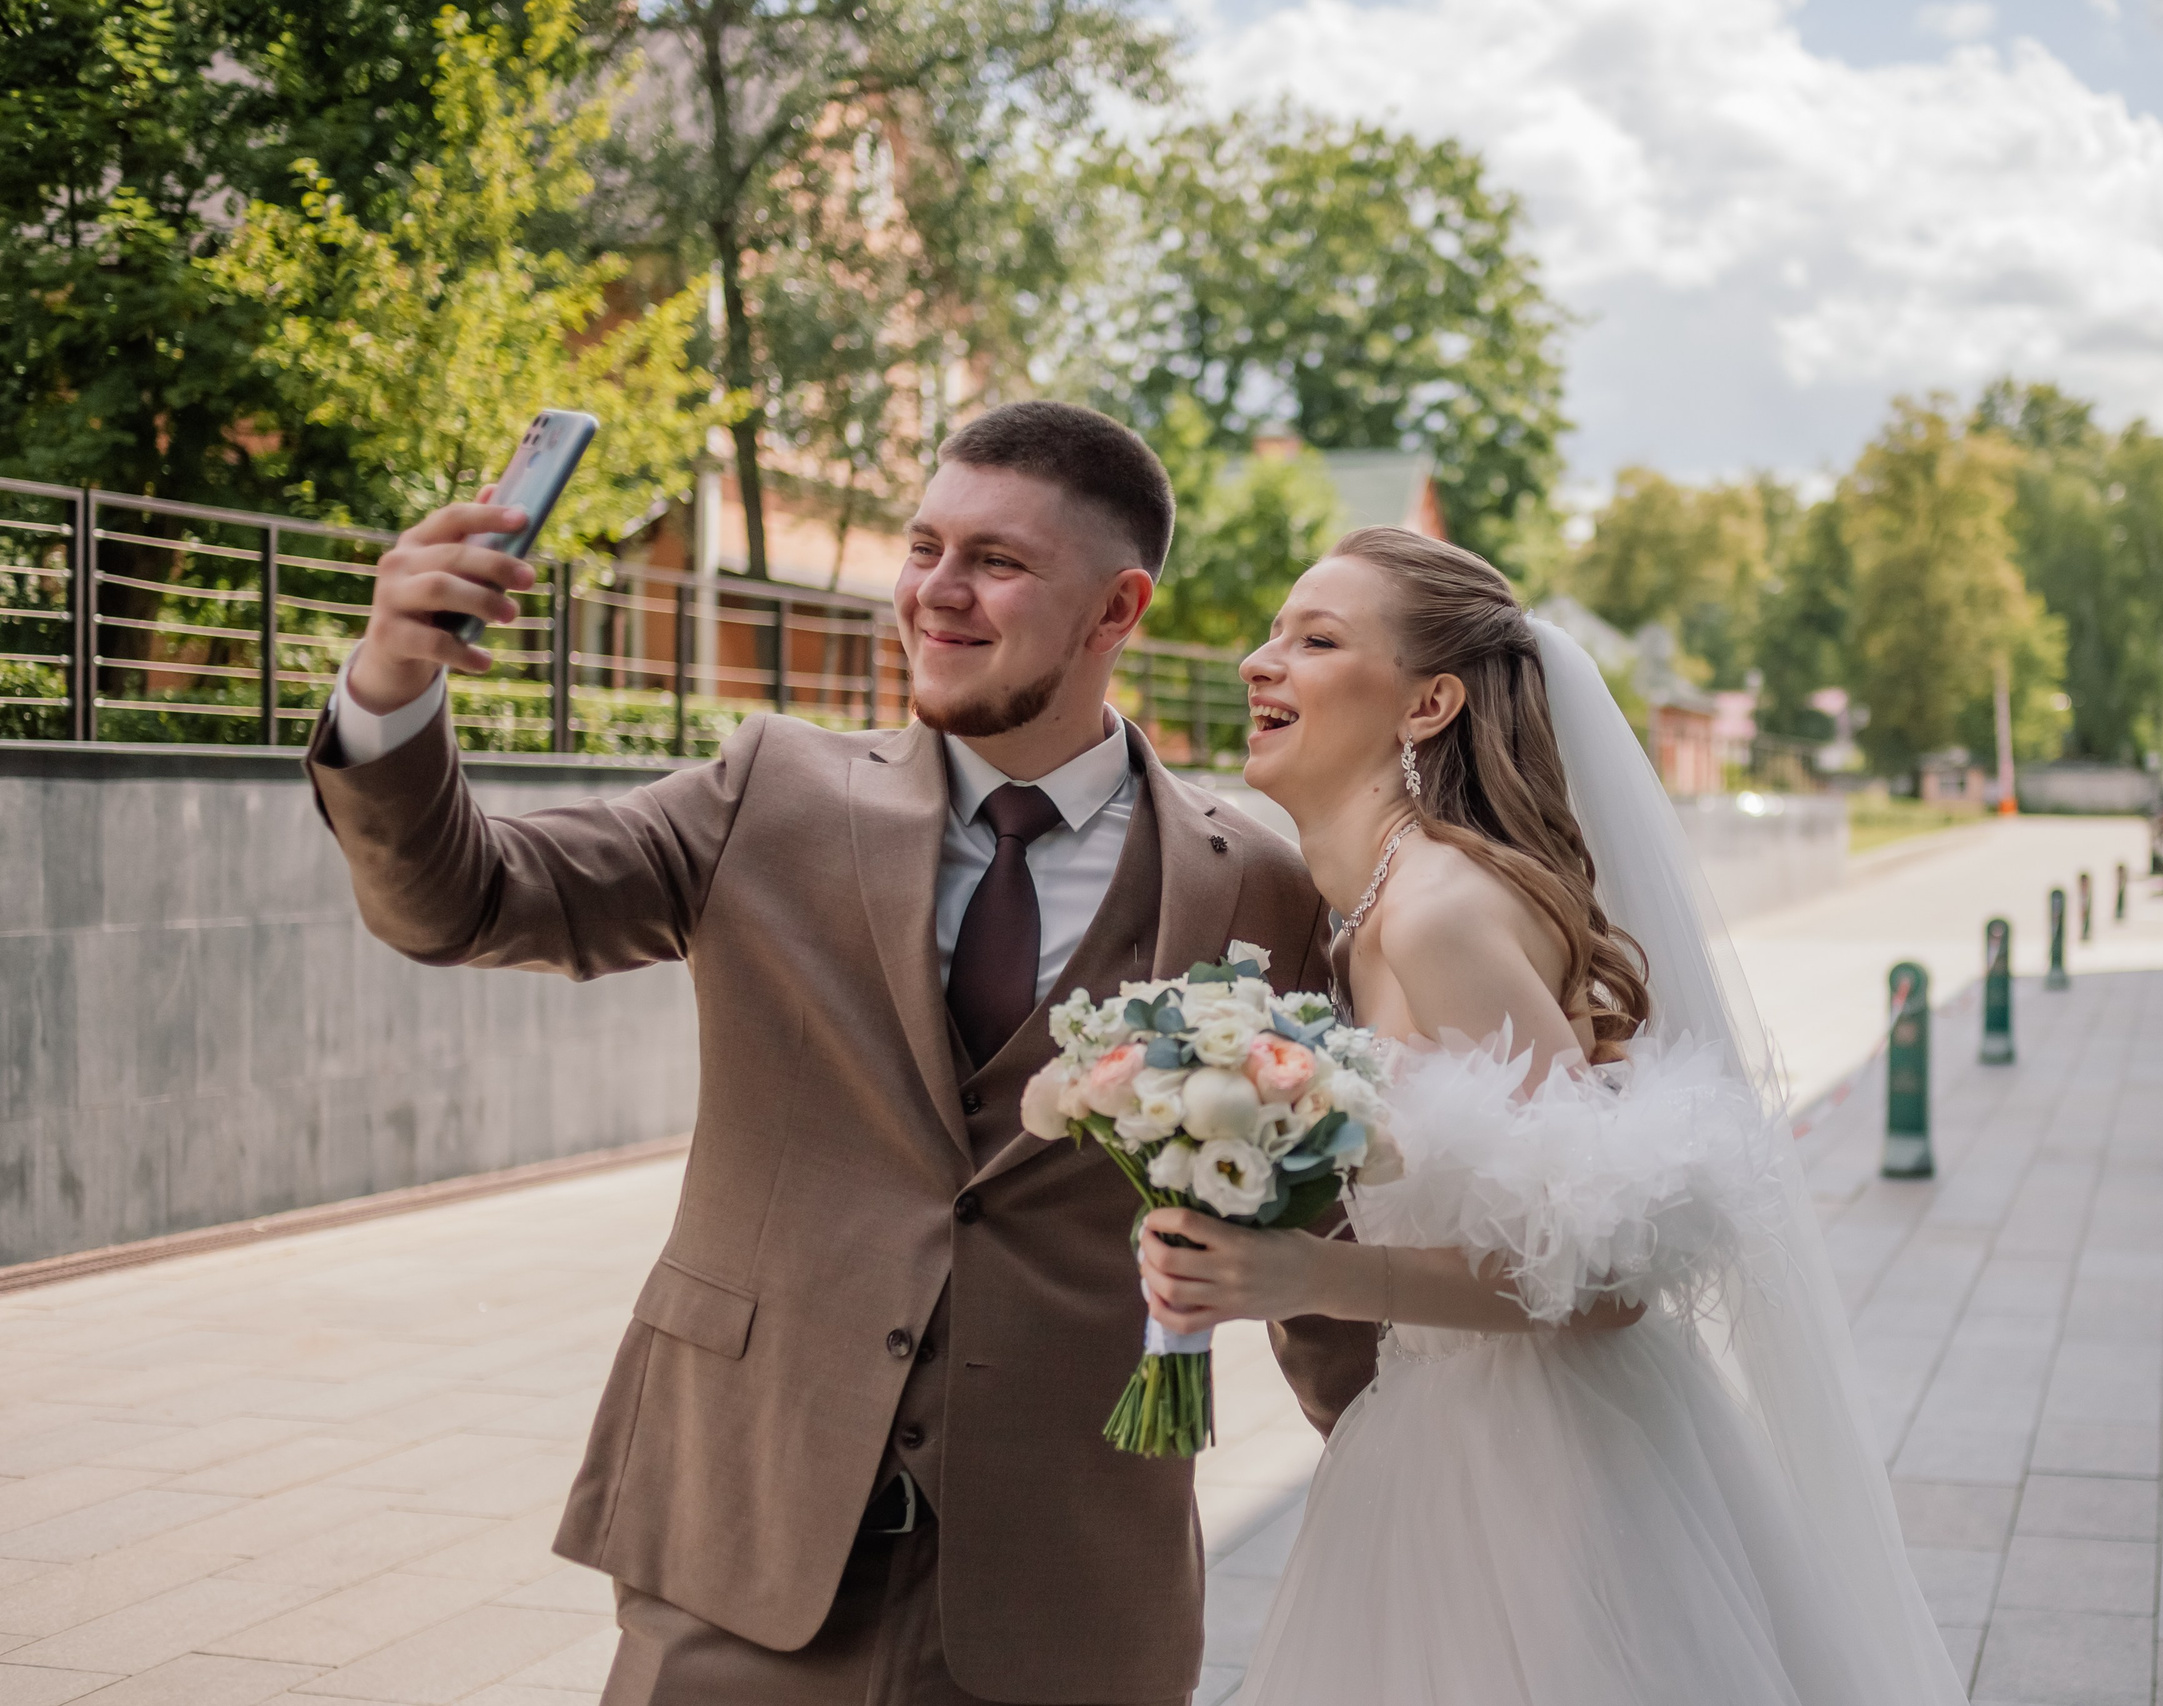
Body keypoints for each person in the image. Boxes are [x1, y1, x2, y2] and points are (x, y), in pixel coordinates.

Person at [304, 400, 1377, 1705]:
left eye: (996, 560)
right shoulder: (774, 790)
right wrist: (389, 687)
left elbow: (1310, 1219)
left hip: (1072, 1596)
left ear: (1116, 609)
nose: (936, 591)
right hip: (744, 1551)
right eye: (924, 546)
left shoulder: (1253, 883)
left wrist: (1399, 1471)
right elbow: (466, 899)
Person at [1136, 527, 1973, 1705]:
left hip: (1543, 1479)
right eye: (1273, 633)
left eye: (1314, 639)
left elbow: (1606, 1280)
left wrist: (1296, 1277)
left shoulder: (1438, 911)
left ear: (1426, 704)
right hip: (1433, 1446)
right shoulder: (1366, 906)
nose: (1258, 663)